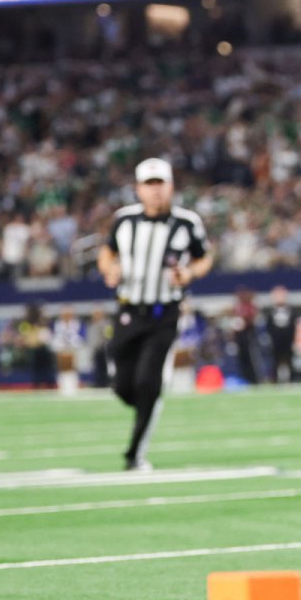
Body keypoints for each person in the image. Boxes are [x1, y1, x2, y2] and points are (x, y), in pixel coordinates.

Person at [97, 157, 212, 471]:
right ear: (138, 189)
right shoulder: (124, 220)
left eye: (160, 183)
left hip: (165, 313)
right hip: (128, 309)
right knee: (122, 384)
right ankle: (145, 405)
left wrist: (188, 274)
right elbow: (107, 254)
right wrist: (110, 270)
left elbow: (204, 258)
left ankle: (135, 454)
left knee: (149, 381)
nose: (155, 191)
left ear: (171, 186)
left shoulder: (187, 222)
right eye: (149, 185)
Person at [264, 285, 296, 384]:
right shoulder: (270, 311)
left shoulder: (290, 310)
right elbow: (269, 326)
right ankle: (275, 379)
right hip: (276, 339)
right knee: (275, 360)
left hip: (287, 339)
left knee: (289, 359)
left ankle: (291, 379)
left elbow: (293, 325)